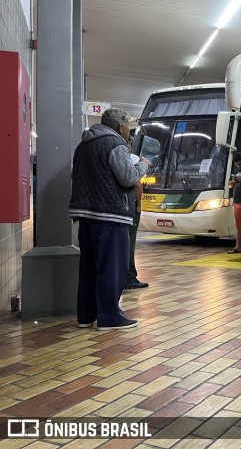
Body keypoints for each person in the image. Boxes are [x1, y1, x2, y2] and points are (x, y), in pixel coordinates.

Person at [69, 108, 149, 330]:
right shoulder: (115, 144)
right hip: (110, 216)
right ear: (120, 126)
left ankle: (86, 316)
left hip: (86, 215)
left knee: (88, 266)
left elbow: (75, 176)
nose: (128, 130)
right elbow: (128, 178)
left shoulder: (83, 146)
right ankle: (109, 316)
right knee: (112, 267)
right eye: (127, 126)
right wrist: (142, 164)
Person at [124, 179, 149, 289]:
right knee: (129, 243)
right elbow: (138, 184)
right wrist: (139, 205)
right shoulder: (132, 161)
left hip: (114, 207)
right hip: (129, 206)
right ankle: (129, 278)